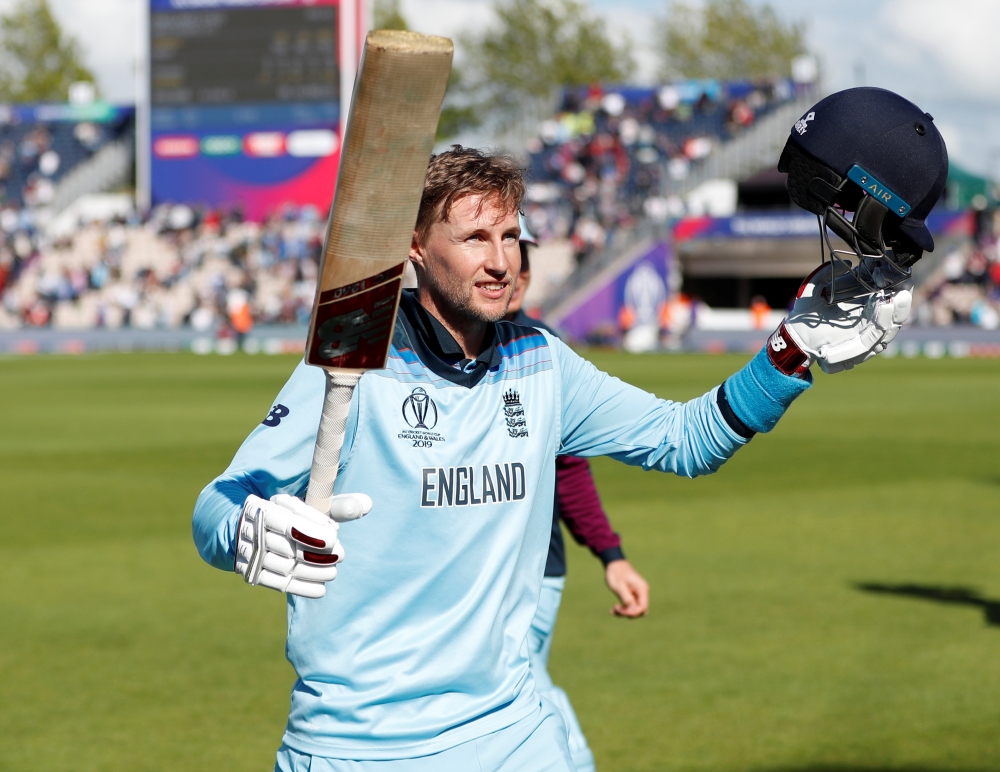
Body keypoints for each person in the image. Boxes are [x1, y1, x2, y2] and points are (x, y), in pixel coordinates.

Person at [193, 139, 911, 771]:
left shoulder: (542, 361)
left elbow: (684, 440)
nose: (501, 261)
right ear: (416, 245)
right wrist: (249, 532)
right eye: (476, 238)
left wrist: (788, 356)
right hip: (360, 744)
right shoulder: (352, 359)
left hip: (511, 730)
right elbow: (217, 505)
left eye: (510, 236)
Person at [508, 219, 648, 772]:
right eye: (490, 245)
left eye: (521, 253)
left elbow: (570, 470)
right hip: (460, 569)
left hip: (535, 569)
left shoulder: (543, 351)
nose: (512, 267)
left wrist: (611, 555)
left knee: (520, 692)